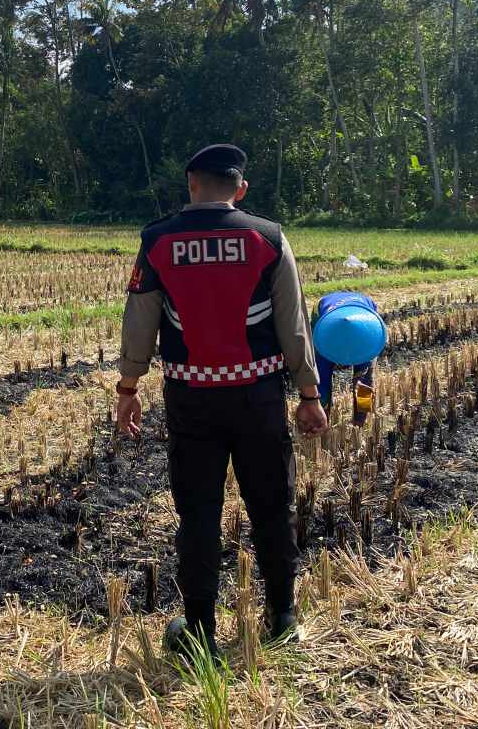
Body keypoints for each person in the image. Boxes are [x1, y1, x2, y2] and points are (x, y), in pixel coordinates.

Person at [117, 144, 327, 658]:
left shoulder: (158, 240)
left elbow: (140, 320)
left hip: (190, 399)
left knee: (198, 513)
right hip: (258, 397)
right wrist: (309, 393)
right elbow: (293, 323)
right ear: (241, 189)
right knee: (272, 505)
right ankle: (283, 616)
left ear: (191, 183)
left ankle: (199, 631)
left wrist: (128, 387)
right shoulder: (268, 238)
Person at [313, 291, 385, 424]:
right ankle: (321, 422)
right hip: (325, 317)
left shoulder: (367, 341)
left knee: (364, 384)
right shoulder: (324, 339)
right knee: (321, 378)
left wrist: (360, 382)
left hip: (364, 323)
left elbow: (365, 385)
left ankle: (360, 424)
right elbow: (321, 384)